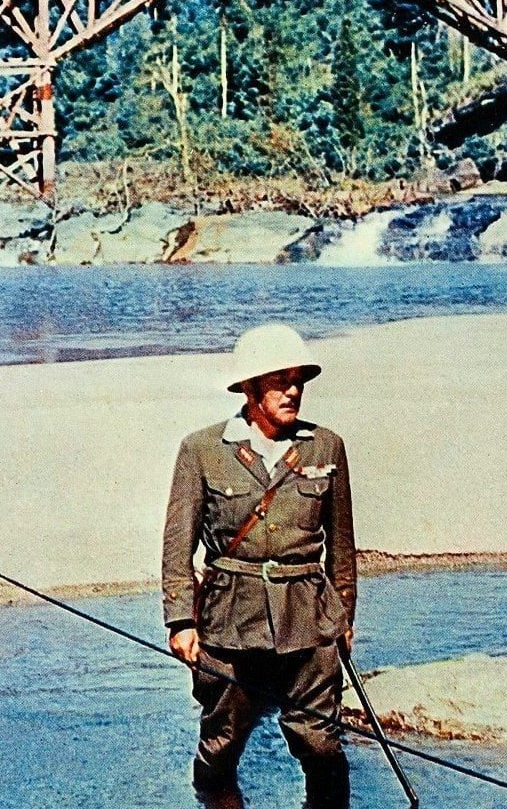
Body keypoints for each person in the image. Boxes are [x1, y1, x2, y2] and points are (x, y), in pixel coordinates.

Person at [162, 323, 357, 806]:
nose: (293, 391)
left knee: (319, 740)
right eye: (280, 380)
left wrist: (344, 618)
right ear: (249, 388)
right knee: (222, 740)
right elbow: (177, 544)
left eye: (299, 381)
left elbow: (343, 547)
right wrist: (181, 620)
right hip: (229, 620)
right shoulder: (203, 450)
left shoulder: (325, 447)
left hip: (309, 619)